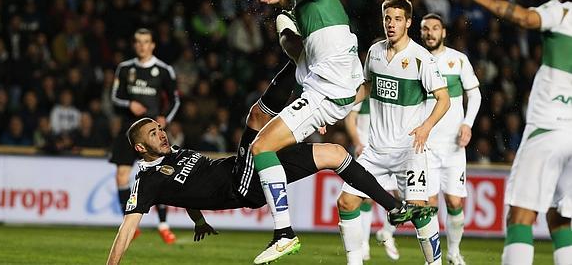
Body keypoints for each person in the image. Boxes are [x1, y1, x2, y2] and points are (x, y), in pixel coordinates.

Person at [106, 57, 436, 265]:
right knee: (255, 117)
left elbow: (183, 190)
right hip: (240, 184)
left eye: (160, 127)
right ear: (139, 148)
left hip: (249, 170)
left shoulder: (174, 154)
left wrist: (199, 220)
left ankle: (394, 207)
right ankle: (300, 59)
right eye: (153, 133)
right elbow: (125, 231)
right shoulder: (145, 182)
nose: (161, 133)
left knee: (334, 154)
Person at [227, 0, 363, 263]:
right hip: (323, 88)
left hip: (333, 87)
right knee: (264, 145)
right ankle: (284, 232)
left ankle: (284, 232)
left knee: (261, 145)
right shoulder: (293, 4)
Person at [441, 0, 572, 265]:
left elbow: (523, 16)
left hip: (550, 128)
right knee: (561, 219)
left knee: (520, 216)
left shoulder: (562, 12)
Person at [337, 0, 451, 265]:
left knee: (421, 214)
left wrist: (426, 126)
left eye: (398, 19)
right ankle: (355, 262)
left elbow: (443, 98)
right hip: (375, 150)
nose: (391, 24)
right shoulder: (375, 52)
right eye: (387, 18)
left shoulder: (421, 59)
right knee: (346, 203)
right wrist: (335, 107)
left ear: (408, 23)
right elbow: (366, 87)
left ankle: (434, 263)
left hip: (408, 151)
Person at [420, 13, 482, 265]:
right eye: (425, 29)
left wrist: (467, 123)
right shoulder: (415, 60)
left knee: (455, 201)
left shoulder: (458, 60)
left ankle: (453, 252)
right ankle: (433, 259)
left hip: (454, 146)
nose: (430, 33)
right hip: (425, 145)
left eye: (435, 28)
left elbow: (475, 95)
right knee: (430, 203)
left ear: (444, 32)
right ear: (421, 33)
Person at [109, 28, 180, 244]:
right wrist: (129, 103)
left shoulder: (164, 70)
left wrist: (165, 118)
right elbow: (114, 97)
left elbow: (175, 100)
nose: (142, 45)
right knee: (121, 176)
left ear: (152, 45)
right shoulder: (125, 68)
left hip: (152, 132)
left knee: (161, 175)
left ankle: (163, 225)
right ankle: (127, 222)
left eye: (146, 41)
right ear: (134, 45)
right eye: (138, 42)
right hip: (128, 129)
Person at [345, 97, 401, 261]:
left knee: (404, 198)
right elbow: (350, 119)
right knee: (366, 198)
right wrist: (357, 143)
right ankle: (363, 243)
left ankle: (386, 232)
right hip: (367, 152)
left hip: (391, 150)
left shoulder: (391, 91)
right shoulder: (364, 92)